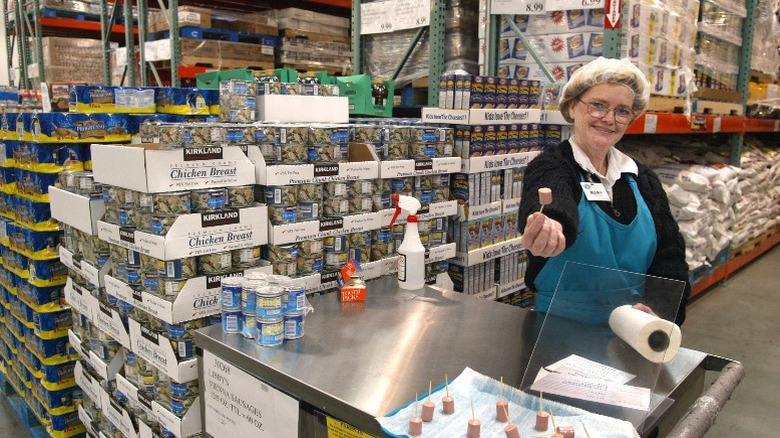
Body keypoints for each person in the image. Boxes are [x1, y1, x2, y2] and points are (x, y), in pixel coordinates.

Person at [518, 57, 690, 326]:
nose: (609, 119)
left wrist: (660, 311)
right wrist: (550, 225)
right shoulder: (552, 166)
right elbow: (554, 199)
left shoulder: (643, 180)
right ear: (573, 107)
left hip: (633, 330)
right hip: (557, 332)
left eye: (622, 111)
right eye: (598, 106)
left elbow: (670, 255)